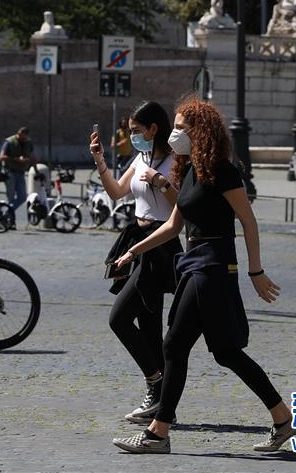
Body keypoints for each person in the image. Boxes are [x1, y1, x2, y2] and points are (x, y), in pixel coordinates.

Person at [111, 97, 294, 454]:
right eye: (175, 126)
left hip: (212, 266)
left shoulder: (223, 170)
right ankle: (283, 419)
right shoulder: (192, 169)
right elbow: (173, 225)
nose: (175, 133)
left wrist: (255, 270)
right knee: (226, 352)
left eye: (181, 127)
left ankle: (157, 433)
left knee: (173, 345)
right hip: (193, 263)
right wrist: (134, 251)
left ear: (201, 130)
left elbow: (248, 221)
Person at [89, 101, 182, 425]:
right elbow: (116, 192)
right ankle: (159, 398)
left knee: (120, 319)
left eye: (136, 131)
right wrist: (100, 160)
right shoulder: (140, 157)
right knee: (149, 322)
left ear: (153, 129)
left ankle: (157, 384)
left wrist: (161, 182)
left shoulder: (173, 161)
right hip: (138, 240)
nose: (132, 136)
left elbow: (181, 205)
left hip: (160, 243)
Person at [0, 126, 36, 229]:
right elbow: (1, 156)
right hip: (10, 172)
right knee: (10, 198)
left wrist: (36, 171)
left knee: (22, 197)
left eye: (24, 137)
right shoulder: (9, 141)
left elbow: (33, 157)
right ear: (18, 133)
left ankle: (5, 214)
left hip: (20, 172)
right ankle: (9, 222)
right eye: (20, 136)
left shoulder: (28, 143)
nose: (22, 138)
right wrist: (16, 159)